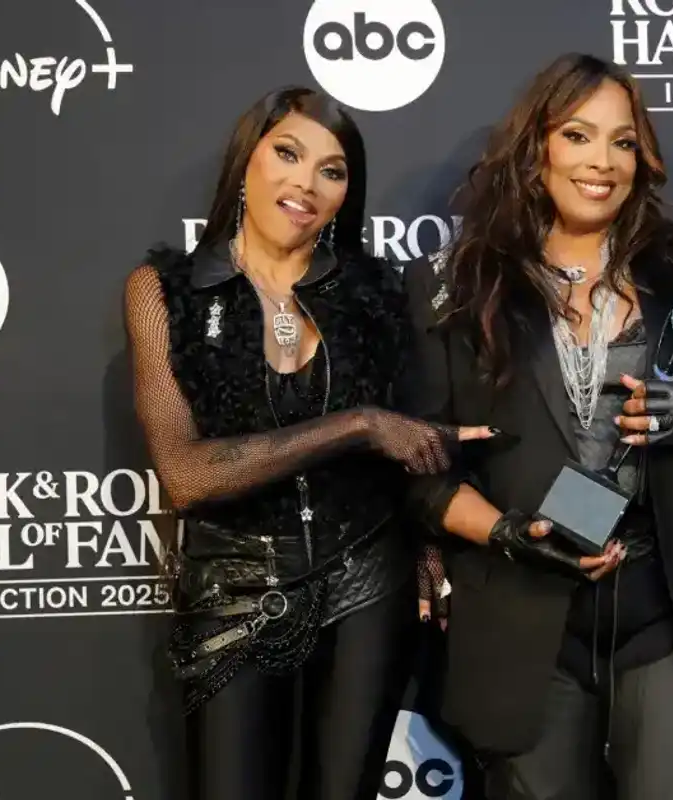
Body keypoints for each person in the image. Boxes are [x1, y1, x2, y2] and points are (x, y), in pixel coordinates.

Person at [403, 53, 673, 799]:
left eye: (623, 141)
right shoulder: (459, 286)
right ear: (537, 147)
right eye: (578, 135)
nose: (601, 162)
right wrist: (509, 534)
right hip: (520, 621)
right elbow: (424, 471)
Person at [123, 86, 492, 800]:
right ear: (247, 160)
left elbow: (409, 444)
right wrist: (356, 425)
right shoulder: (165, 291)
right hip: (233, 591)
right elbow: (186, 475)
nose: (307, 183)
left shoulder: (375, 290)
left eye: (333, 169)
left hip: (365, 582)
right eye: (288, 154)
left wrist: (427, 545)